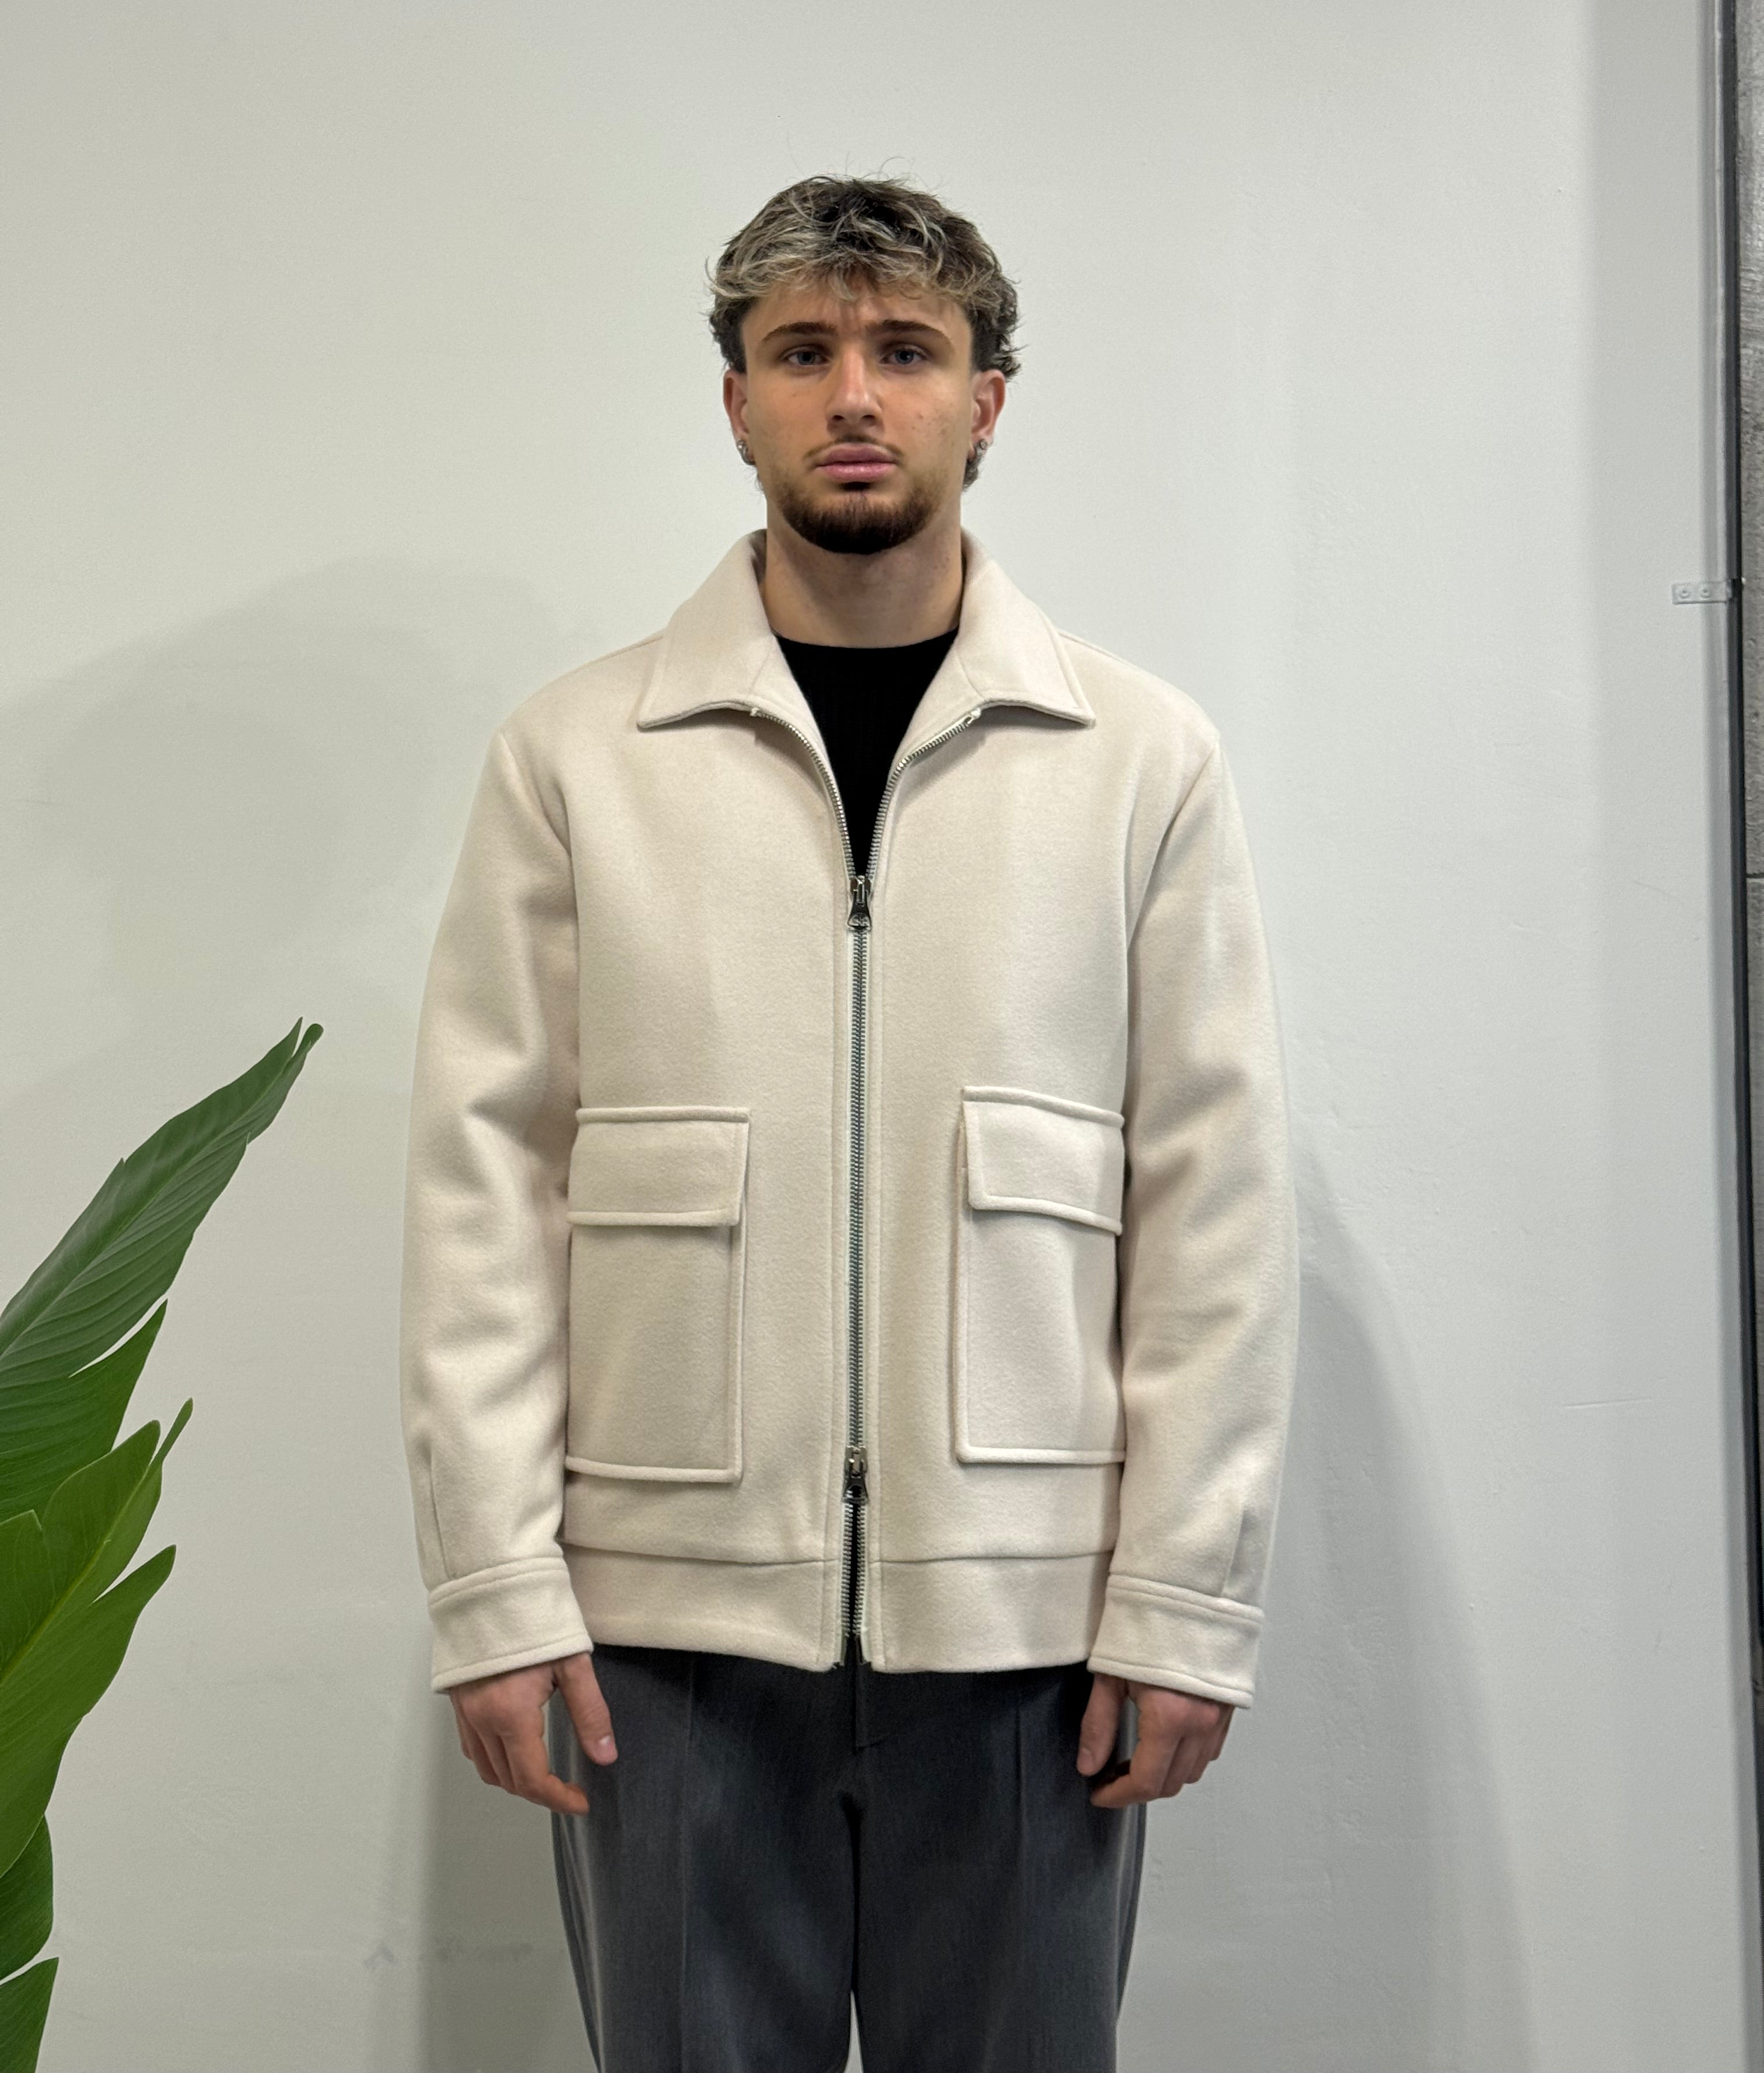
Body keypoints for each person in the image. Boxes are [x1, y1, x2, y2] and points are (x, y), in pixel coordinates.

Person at [397, 173, 1301, 2071]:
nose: (857, 396)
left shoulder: (1140, 763)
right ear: (737, 402)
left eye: (908, 351)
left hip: (1035, 1639)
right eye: (803, 354)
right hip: (664, 1641)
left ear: (990, 399)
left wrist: (1182, 1603)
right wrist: (495, 1587)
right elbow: (489, 1193)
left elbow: (1211, 1206)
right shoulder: (578, 759)